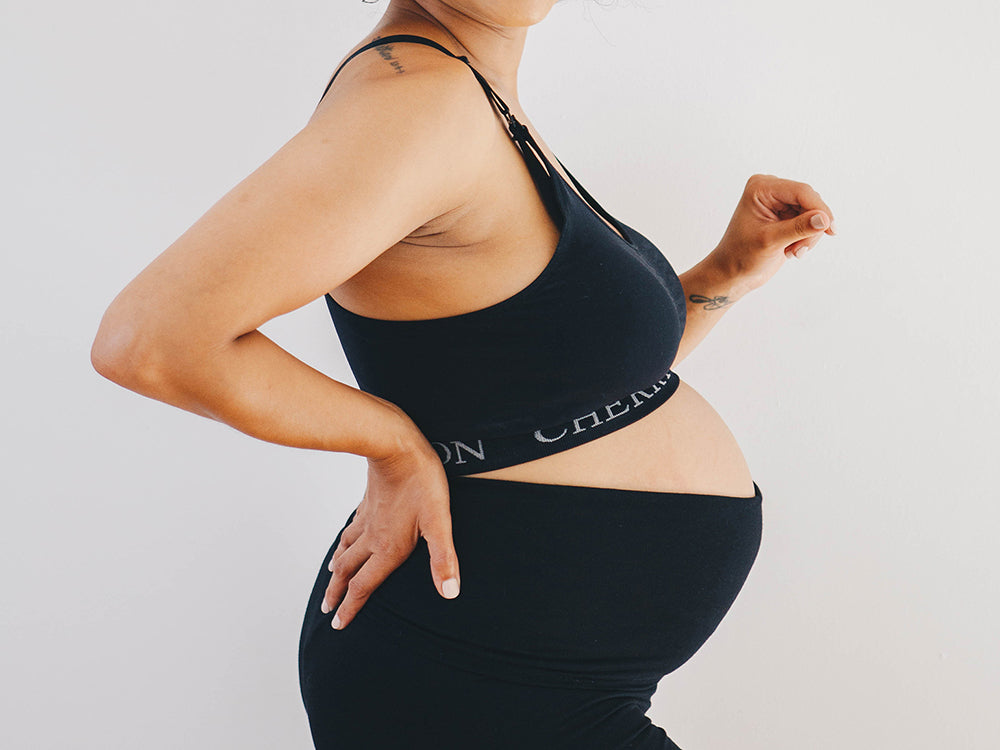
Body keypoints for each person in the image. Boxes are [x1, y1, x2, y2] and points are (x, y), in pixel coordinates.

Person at [91, 1, 836, 748]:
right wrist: (391, 444)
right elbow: (151, 339)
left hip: (534, 686)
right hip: (476, 690)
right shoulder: (418, 103)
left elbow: (571, 385)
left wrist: (726, 273)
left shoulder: (469, 87)